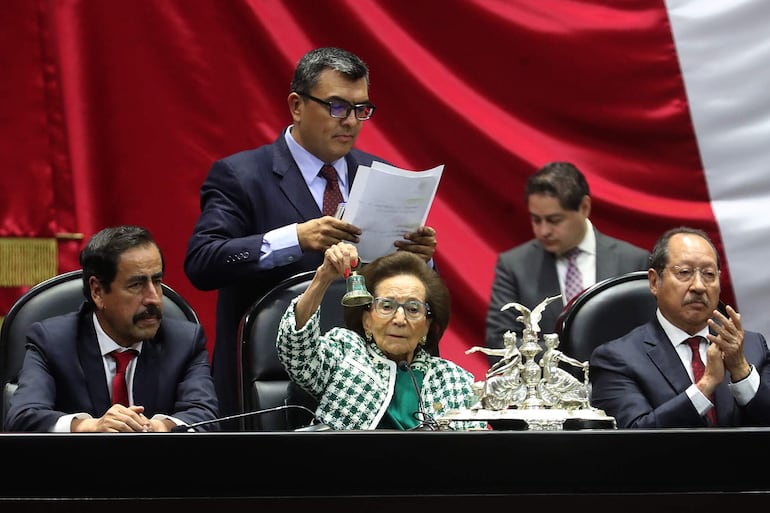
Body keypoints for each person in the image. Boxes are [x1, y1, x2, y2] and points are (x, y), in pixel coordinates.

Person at [184, 47, 437, 420]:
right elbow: (203, 261)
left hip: (367, 390)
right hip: (272, 383)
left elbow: (410, 286)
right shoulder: (242, 176)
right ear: (297, 105)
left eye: (361, 109)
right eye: (336, 106)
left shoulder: (381, 173)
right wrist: (295, 238)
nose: (350, 121)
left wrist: (421, 258)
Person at [5, 226, 219, 433]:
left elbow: (207, 417)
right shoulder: (52, 341)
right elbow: (23, 416)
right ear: (97, 291)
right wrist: (90, 426)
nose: (153, 297)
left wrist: (160, 427)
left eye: (157, 281)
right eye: (136, 285)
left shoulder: (184, 342)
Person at [276, 242, 485, 431]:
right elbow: (296, 351)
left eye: (413, 309)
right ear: (367, 320)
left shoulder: (454, 380)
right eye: (386, 306)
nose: (400, 319)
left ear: (427, 326)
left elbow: (478, 449)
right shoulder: (345, 352)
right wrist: (323, 277)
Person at [590, 226, 770, 428]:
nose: (699, 286)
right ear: (654, 281)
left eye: (709, 274)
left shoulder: (752, 347)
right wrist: (705, 385)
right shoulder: (617, 359)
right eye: (685, 272)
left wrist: (740, 371)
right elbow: (634, 437)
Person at [485, 161, 649, 361]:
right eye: (536, 220)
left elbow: (650, 338)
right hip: (545, 388)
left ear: (584, 207)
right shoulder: (514, 266)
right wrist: (570, 360)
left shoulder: (633, 261)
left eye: (554, 220)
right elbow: (499, 343)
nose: (543, 231)